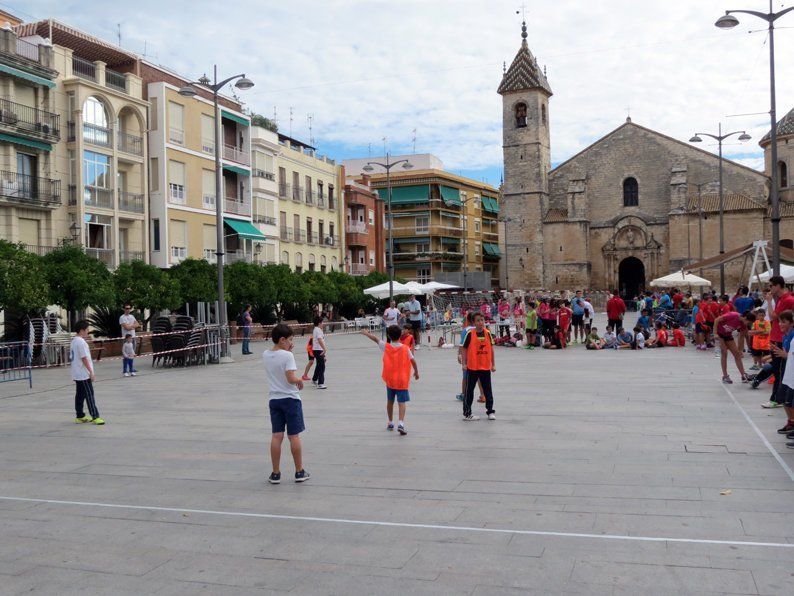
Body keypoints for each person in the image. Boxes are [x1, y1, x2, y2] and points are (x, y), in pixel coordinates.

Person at [264, 323, 309, 484]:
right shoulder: (288, 356)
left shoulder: (265, 354)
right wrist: (299, 380)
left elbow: (277, 363)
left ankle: (275, 473)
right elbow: (290, 379)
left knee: (277, 436)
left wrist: (286, 350)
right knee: (293, 436)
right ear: (282, 339)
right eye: (290, 339)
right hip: (290, 399)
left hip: (274, 399)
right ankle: (299, 471)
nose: (291, 342)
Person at [360, 326, 419, 435]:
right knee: (402, 403)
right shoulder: (405, 348)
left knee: (390, 402)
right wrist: (416, 372)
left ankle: (391, 422)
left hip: (390, 380)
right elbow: (413, 361)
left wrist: (366, 333)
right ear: (400, 334)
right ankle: (401, 423)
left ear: (388, 336)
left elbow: (375, 339)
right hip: (402, 380)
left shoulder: (386, 346)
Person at [460, 313, 496, 421]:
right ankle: (467, 413)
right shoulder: (470, 334)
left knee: (488, 390)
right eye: (478, 321)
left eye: (482, 320)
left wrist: (493, 364)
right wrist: (464, 364)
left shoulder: (488, 333)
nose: (481, 322)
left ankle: (490, 411)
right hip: (472, 367)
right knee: (469, 391)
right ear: (474, 323)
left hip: (485, 367)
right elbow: (463, 349)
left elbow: (491, 349)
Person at [764, 276, 794, 408]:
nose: (769, 289)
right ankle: (778, 398)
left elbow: (773, 317)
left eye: (771, 286)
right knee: (778, 370)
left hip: (781, 339)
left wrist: (769, 302)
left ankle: (777, 399)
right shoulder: (782, 299)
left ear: (778, 286)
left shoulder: (787, 300)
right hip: (777, 338)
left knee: (779, 371)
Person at [71, 320, 104, 425]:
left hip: (77, 373)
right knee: (89, 394)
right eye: (86, 330)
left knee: (80, 395)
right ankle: (95, 416)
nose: (88, 332)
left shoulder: (74, 341)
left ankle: (80, 415)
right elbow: (84, 358)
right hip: (83, 374)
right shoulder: (80, 342)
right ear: (82, 330)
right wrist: (91, 372)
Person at [713, 310, 754, 384]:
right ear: (745, 318)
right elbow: (716, 320)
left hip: (728, 335)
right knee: (724, 353)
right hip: (719, 334)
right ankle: (725, 376)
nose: (749, 325)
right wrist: (715, 333)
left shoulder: (743, 325)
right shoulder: (733, 315)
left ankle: (743, 375)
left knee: (737, 354)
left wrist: (740, 350)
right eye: (749, 322)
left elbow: (741, 337)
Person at [119, 303, 139, 372]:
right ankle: (125, 369)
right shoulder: (122, 317)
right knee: (125, 354)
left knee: (132, 354)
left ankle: (131, 368)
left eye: (129, 308)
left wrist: (131, 326)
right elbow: (126, 327)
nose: (128, 310)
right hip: (126, 338)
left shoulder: (132, 316)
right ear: (124, 309)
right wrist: (132, 326)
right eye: (127, 308)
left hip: (133, 337)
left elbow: (137, 324)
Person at [310, 317, 328, 389]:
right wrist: (324, 349)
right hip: (318, 350)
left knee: (319, 365)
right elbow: (320, 340)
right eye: (322, 322)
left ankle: (314, 379)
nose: (323, 324)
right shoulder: (318, 330)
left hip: (317, 350)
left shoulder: (316, 329)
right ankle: (320, 383)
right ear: (319, 323)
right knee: (322, 366)